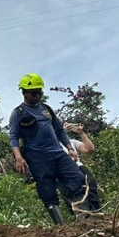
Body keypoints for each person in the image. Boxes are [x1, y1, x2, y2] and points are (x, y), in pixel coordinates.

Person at [8, 73, 88, 225]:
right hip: (38, 158)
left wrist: (70, 148)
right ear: (24, 92)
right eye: (34, 93)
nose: (38, 95)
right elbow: (13, 137)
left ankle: (83, 220)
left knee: (77, 179)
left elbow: (59, 130)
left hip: (58, 153)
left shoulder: (46, 109)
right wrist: (18, 157)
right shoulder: (18, 113)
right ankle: (60, 226)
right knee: (47, 190)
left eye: (40, 92)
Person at [62, 122, 101, 213]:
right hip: (64, 173)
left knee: (91, 190)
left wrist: (81, 133)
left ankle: (97, 214)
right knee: (74, 198)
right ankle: (82, 218)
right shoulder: (51, 145)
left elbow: (89, 149)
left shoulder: (71, 142)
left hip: (79, 168)